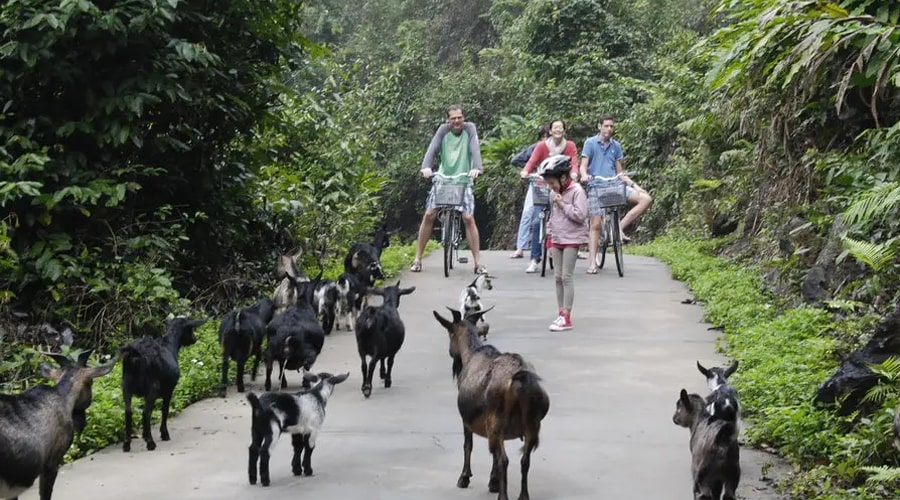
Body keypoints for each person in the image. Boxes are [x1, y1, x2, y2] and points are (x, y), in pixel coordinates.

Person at [410, 104, 486, 274]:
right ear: (448, 120)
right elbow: (432, 149)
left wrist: (477, 168)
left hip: (464, 179)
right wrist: (426, 167)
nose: (456, 121)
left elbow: (475, 150)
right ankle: (417, 259)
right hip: (444, 179)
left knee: (468, 217)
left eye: (459, 117)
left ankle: (477, 263)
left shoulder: (470, 129)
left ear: (463, 118)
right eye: (453, 118)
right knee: (429, 214)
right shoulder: (443, 130)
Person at [579, 114, 652, 274]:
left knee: (645, 199)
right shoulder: (590, 143)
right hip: (596, 186)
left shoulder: (616, 146)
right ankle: (592, 262)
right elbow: (583, 166)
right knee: (596, 224)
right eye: (606, 126)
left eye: (611, 126)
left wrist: (636, 186)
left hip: (615, 185)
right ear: (599, 127)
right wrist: (584, 175)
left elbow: (620, 173)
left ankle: (619, 226)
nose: (609, 129)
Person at [519, 119, 579, 274]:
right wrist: (525, 172)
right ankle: (534, 259)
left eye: (561, 127)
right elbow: (532, 162)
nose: (558, 130)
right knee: (537, 219)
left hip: (562, 188)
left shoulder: (570, 146)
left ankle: (564, 250)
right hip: (543, 187)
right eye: (555, 127)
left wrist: (574, 174)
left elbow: (574, 163)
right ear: (550, 131)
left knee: (565, 218)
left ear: (564, 130)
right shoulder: (542, 146)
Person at [539, 154, 589, 331]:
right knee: (557, 277)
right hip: (558, 238)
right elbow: (552, 218)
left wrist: (563, 205)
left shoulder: (577, 192)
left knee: (566, 276)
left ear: (563, 177)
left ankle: (567, 316)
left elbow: (580, 215)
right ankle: (560, 313)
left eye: (552, 182)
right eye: (549, 184)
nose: (551, 187)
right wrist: (549, 239)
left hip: (572, 238)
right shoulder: (554, 193)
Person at [509, 124, 551, 260]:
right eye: (543, 137)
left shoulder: (557, 149)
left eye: (547, 137)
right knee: (528, 213)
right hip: (537, 184)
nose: (545, 140)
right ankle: (520, 247)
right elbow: (516, 160)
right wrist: (529, 170)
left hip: (553, 184)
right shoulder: (535, 148)